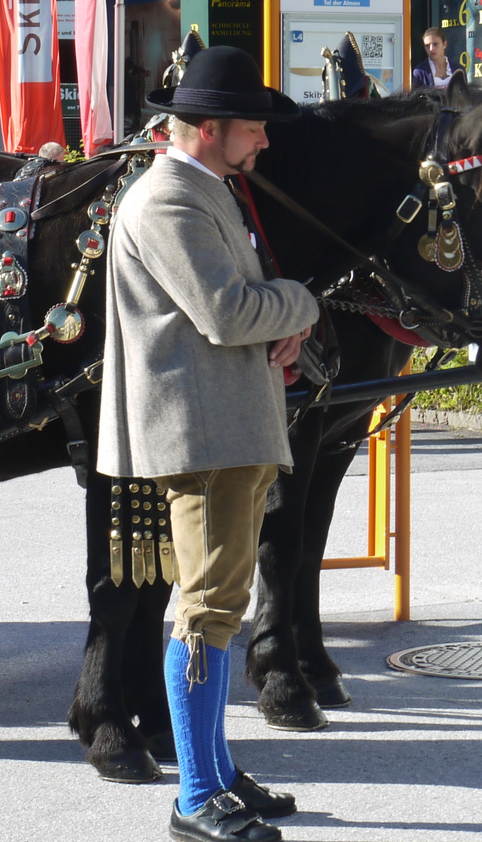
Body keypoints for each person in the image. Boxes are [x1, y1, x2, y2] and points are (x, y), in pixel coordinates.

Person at [97, 46, 317, 842]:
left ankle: (216, 773)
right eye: (254, 125)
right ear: (211, 127)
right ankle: (195, 796)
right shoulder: (170, 200)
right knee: (208, 609)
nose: (264, 140)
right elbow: (228, 313)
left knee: (217, 606)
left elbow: (238, 313)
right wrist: (301, 307)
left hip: (227, 424)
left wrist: (279, 325)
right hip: (205, 433)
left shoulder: (203, 187)